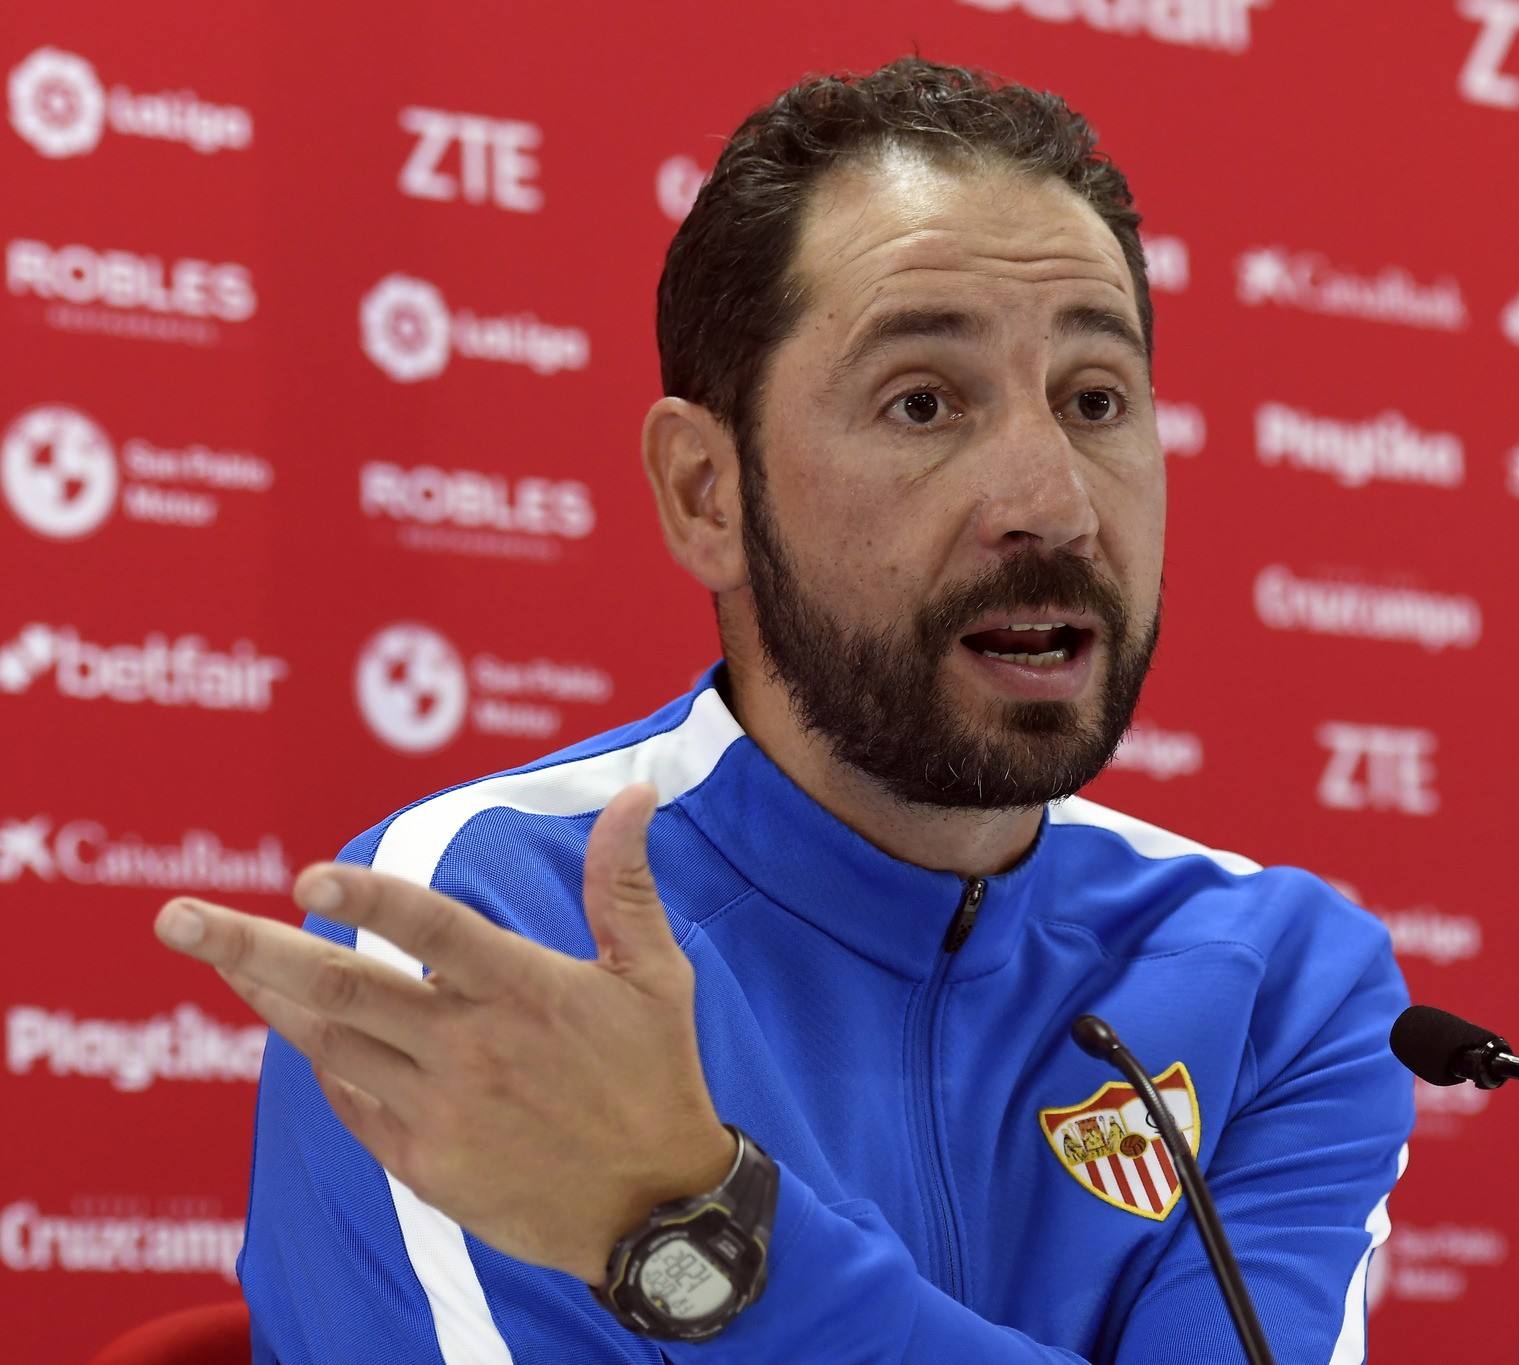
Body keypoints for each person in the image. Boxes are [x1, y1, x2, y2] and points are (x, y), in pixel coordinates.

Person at [154, 56, 1413, 1362]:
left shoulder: (1278, 977)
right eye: (923, 402)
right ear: (708, 492)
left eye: (1095, 401)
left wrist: (703, 1232)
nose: (1053, 503)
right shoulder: (492, 934)